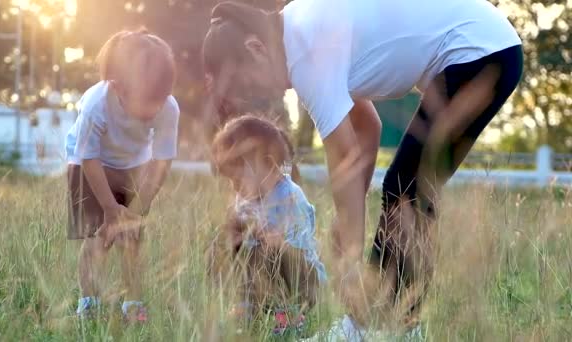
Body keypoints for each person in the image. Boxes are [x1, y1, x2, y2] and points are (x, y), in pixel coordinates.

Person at [202, 0, 523, 336]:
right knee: (407, 187)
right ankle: (395, 325)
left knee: (407, 188)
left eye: (246, 83)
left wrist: (351, 260)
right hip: (487, 47)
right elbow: (367, 127)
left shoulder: (304, 52)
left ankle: (375, 326)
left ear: (255, 48)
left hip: (479, 52)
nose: (254, 93)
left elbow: (342, 153)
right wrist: (347, 222)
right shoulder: (302, 29)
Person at [65, 28, 180, 323]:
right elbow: (88, 158)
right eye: (148, 99)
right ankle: (88, 303)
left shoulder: (167, 107)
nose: (156, 108)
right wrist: (108, 207)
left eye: (161, 97)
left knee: (132, 237)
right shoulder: (95, 104)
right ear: (117, 87)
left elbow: (161, 162)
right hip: (89, 164)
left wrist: (135, 210)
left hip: (134, 164)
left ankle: (133, 303)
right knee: (96, 238)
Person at [209, 115, 327, 334]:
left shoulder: (291, 198)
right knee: (221, 244)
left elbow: (299, 256)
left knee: (271, 250)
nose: (234, 188)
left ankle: (290, 314)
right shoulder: (245, 198)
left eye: (238, 179)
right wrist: (234, 236)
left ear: (267, 164)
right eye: (230, 180)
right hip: (262, 278)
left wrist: (276, 240)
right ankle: (248, 305)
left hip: (302, 282)